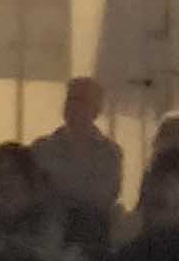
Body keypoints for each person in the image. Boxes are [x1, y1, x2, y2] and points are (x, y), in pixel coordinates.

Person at [31, 74, 125, 247]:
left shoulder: (110, 153)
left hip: (93, 234)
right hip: (48, 234)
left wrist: (58, 184)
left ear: (96, 109)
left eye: (81, 100)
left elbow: (105, 196)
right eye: (70, 99)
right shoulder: (41, 148)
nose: (74, 106)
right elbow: (35, 193)